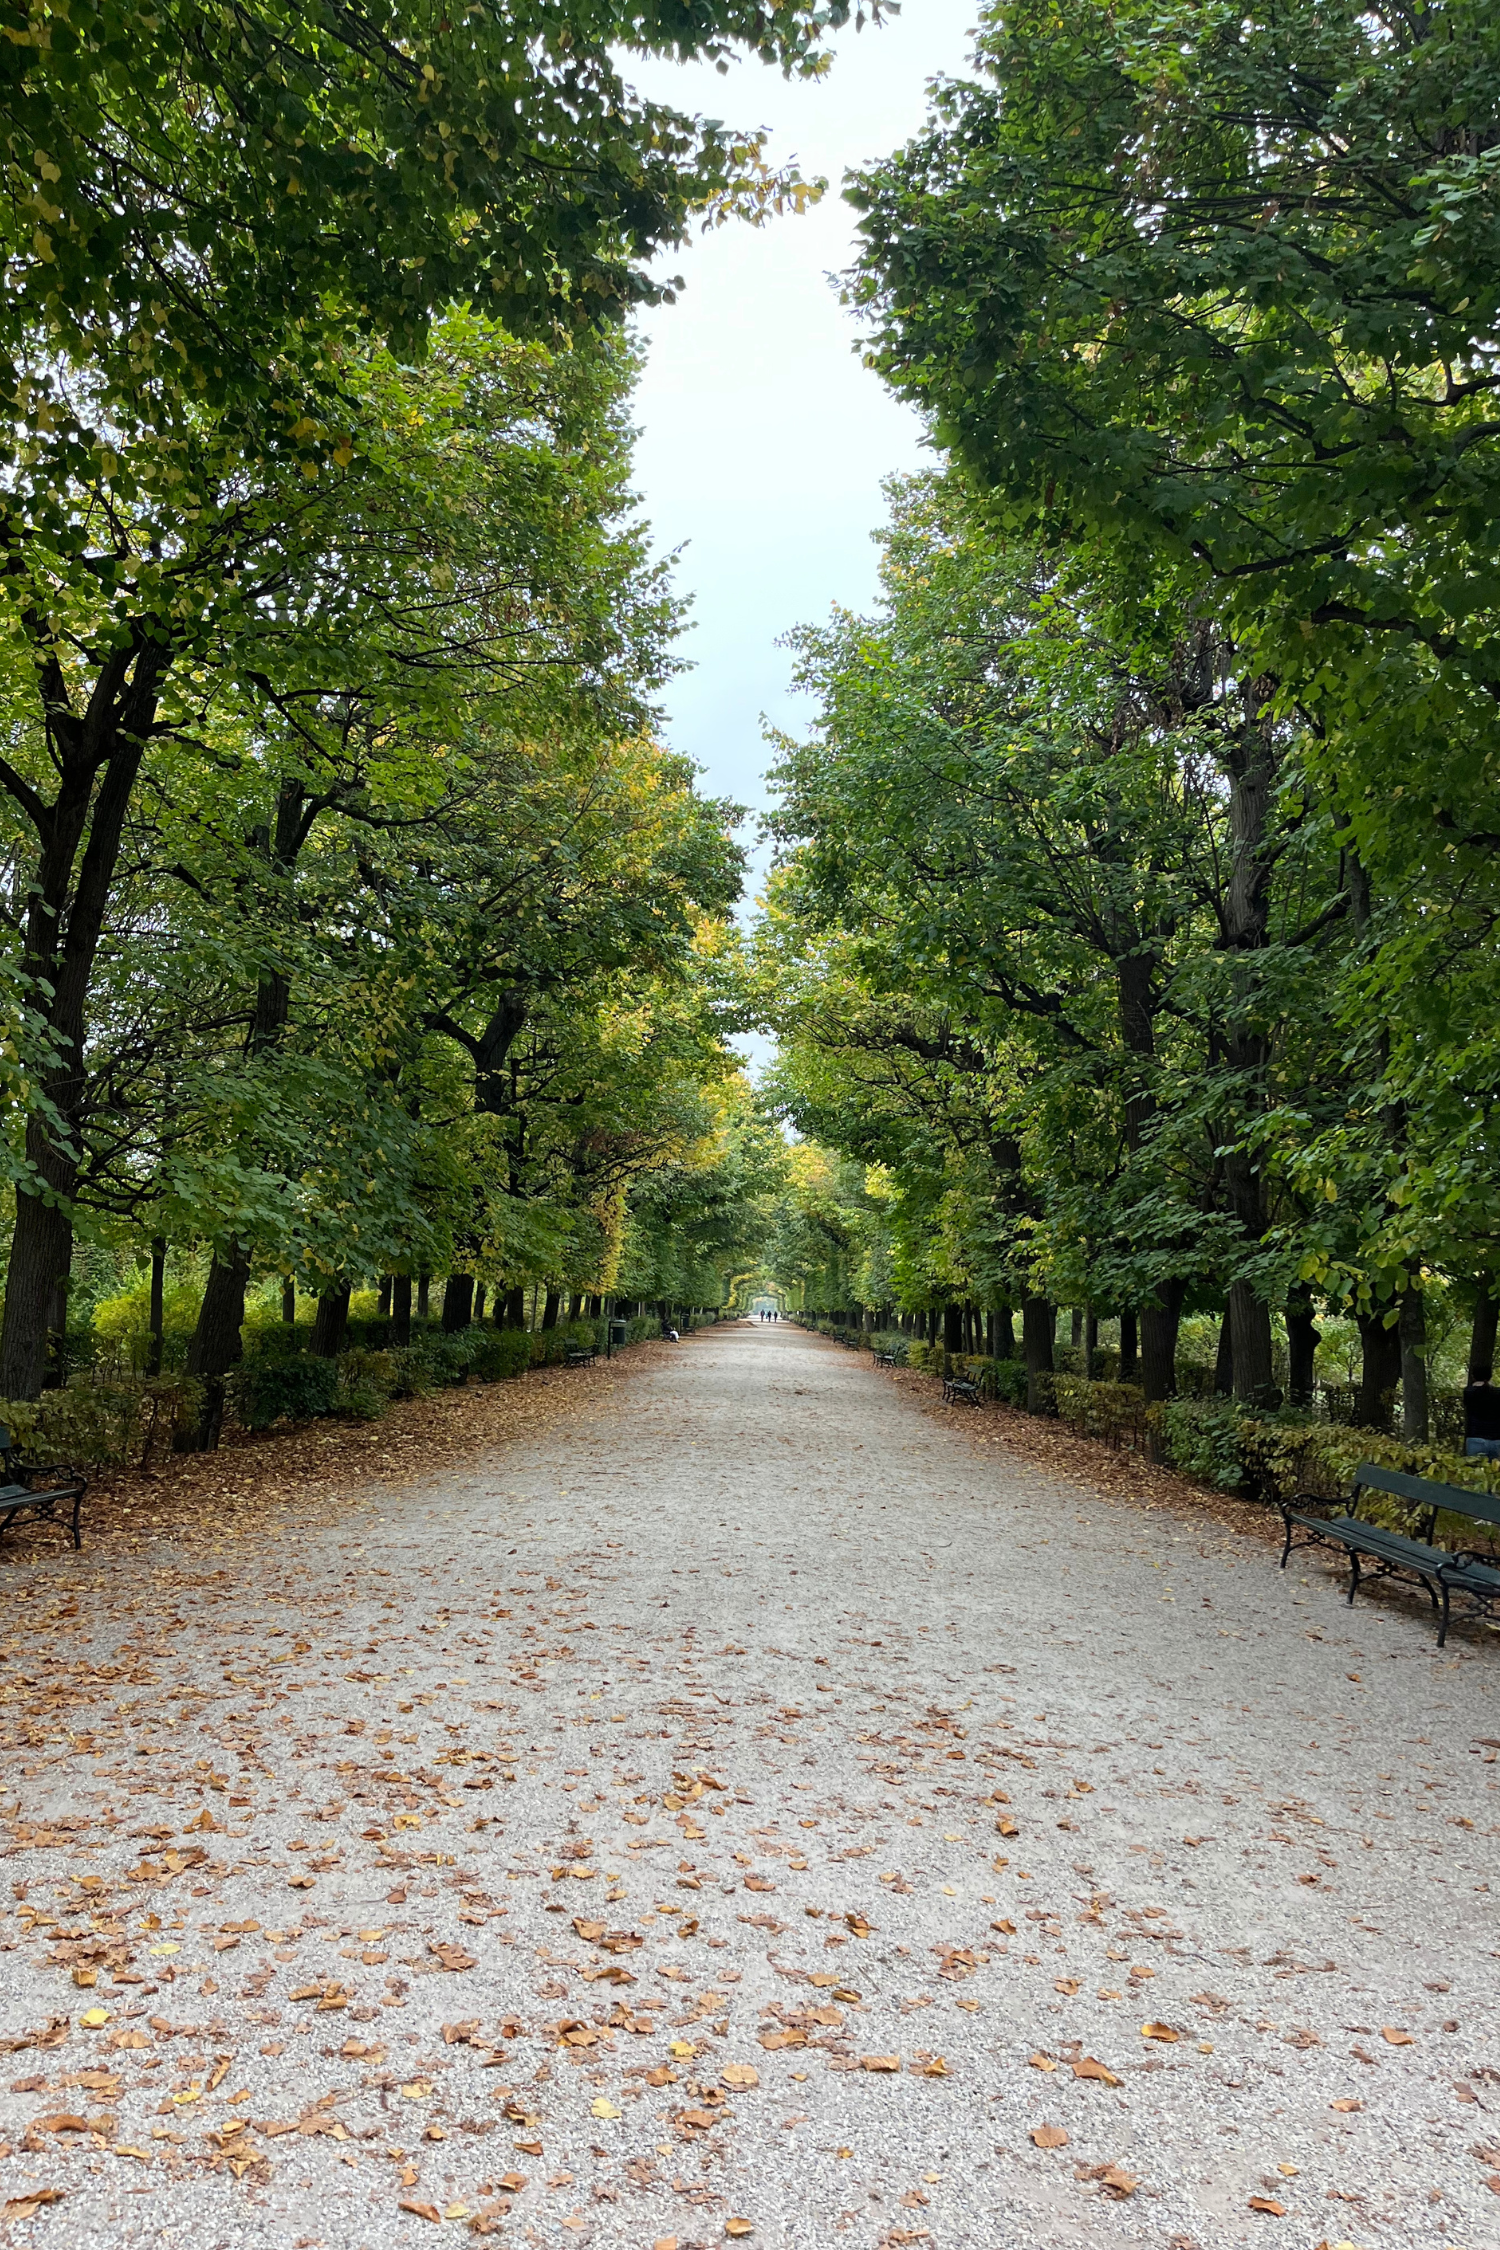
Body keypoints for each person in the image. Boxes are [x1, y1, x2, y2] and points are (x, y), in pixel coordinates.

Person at [1463, 1361, 1500, 1457]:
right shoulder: (1497, 1393)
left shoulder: (1468, 1392)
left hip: (1475, 1437)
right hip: (1496, 1439)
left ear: (1473, 1376)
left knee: (1473, 1470)